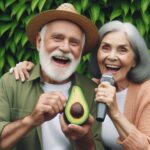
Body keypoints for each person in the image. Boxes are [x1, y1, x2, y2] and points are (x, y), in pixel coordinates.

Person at [0, 3, 104, 150]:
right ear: (39, 41)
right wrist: (31, 120)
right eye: (57, 38)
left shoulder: (92, 92)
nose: (65, 48)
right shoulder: (11, 83)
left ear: (80, 51)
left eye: (74, 42)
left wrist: (84, 139)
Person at [90, 20, 150, 150]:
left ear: (134, 60)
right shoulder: (92, 86)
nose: (112, 57)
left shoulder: (147, 93)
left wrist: (115, 113)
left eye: (122, 50)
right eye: (105, 48)